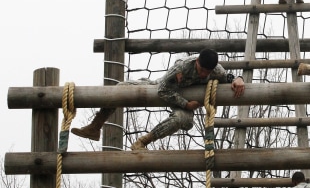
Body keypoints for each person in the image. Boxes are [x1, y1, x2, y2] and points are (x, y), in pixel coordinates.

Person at [71, 49, 245, 150]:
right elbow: (162, 90)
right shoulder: (182, 67)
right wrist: (185, 102)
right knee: (120, 88)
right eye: (201, 70)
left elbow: (227, 77)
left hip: (185, 107)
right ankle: (95, 127)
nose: (203, 75)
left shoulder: (214, 70)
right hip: (163, 89)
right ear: (197, 62)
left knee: (179, 119)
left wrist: (238, 79)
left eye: (207, 73)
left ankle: (143, 142)